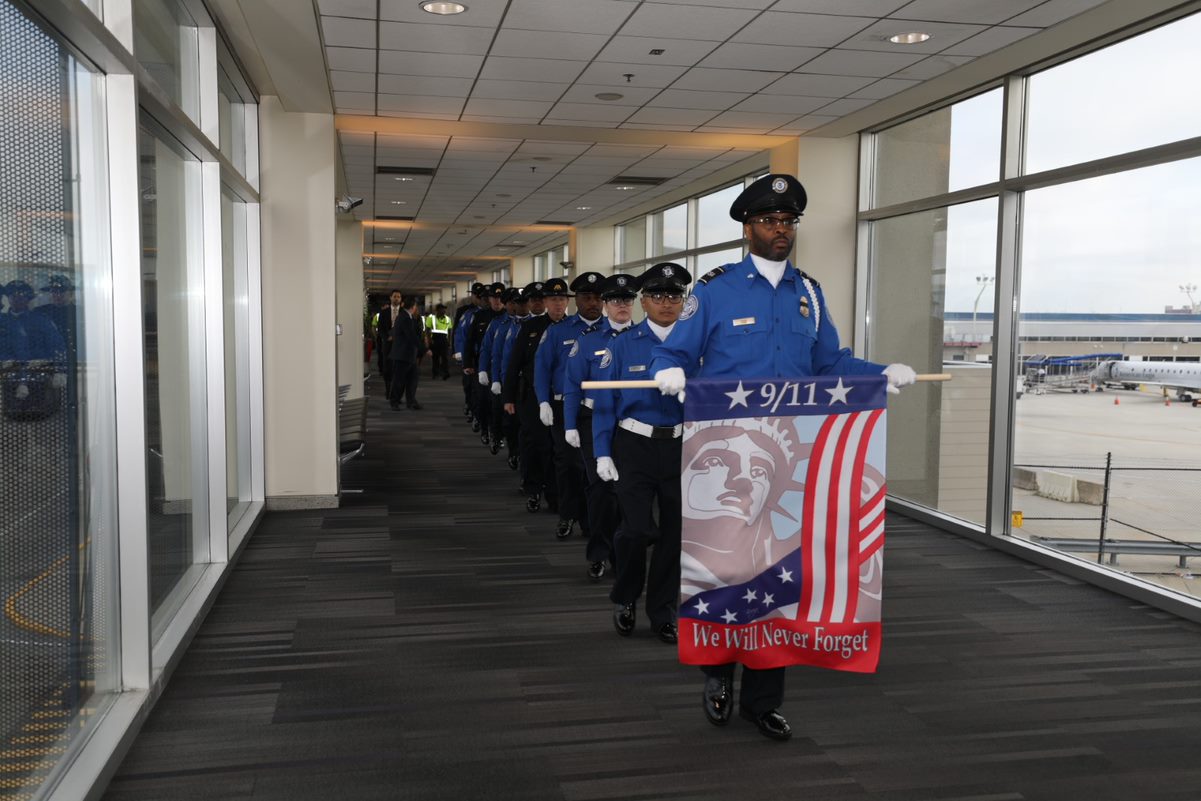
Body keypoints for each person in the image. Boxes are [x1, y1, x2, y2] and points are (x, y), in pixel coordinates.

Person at [649, 173, 917, 742]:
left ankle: (763, 701)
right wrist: (667, 370)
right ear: (748, 228)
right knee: (725, 571)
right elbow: (671, 351)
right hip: (721, 455)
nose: (780, 230)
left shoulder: (810, 295)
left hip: (785, 459)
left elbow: (831, 363)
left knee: (777, 576)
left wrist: (879, 373)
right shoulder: (716, 290)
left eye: (788, 222)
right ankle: (718, 675)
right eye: (770, 221)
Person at [591, 263, 691, 644]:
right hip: (633, 446)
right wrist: (602, 452)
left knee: (673, 534)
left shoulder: (694, 344)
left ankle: (662, 608)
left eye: (675, 296)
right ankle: (626, 595)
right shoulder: (620, 345)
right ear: (644, 302)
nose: (668, 303)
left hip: (681, 446)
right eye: (659, 296)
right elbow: (603, 403)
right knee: (634, 530)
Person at [562, 273, 636, 581]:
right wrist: (569, 424)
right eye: (616, 300)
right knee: (602, 490)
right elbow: (571, 384)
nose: (622, 306)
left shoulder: (644, 338)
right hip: (594, 421)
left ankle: (624, 554)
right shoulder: (588, 340)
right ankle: (599, 552)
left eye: (627, 300)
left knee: (627, 491)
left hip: (632, 425)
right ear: (605, 305)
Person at [535, 271, 605, 540]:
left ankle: (591, 520)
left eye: (598, 297)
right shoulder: (558, 331)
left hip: (599, 410)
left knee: (593, 466)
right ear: (576, 300)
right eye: (587, 297)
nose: (593, 302)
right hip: (564, 407)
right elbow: (542, 369)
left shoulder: (613, 332)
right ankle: (567, 515)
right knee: (567, 465)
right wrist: (543, 402)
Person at [503, 279, 565, 513]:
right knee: (534, 444)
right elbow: (514, 364)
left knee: (556, 446)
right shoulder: (531, 328)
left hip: (560, 397)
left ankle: (554, 492)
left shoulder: (572, 328)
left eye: (561, 300)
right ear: (546, 303)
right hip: (531, 396)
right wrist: (508, 397)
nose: (558, 304)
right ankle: (532, 488)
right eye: (553, 300)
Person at [387, 295, 428, 411]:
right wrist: (425, 349)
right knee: (399, 380)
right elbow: (411, 336)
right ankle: (394, 401)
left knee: (413, 379)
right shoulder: (405, 318)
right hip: (402, 355)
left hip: (408, 355)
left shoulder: (407, 317)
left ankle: (411, 401)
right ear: (414, 307)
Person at [378, 290, 403, 396]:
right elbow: (380, 328)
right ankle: (388, 390)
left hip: (401, 344)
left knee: (399, 368)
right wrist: (387, 337)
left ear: (401, 299)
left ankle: (397, 392)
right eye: (394, 296)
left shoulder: (404, 312)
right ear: (390, 298)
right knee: (387, 368)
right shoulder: (384, 312)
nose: (396, 298)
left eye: (398, 297)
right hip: (388, 344)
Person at [425, 303, 452, 379]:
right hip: (435, 340)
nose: (444, 310)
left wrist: (449, 341)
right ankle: (435, 373)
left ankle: (445, 373)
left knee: (445, 358)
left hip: (444, 340)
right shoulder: (431, 318)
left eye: (444, 309)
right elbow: (427, 330)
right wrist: (429, 340)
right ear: (437, 310)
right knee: (435, 358)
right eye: (442, 309)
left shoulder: (447, 319)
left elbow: (449, 331)